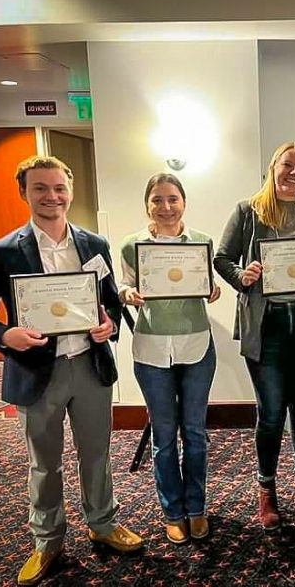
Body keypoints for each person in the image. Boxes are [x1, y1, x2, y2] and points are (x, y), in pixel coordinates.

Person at [0, 156, 143, 586]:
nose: (51, 197)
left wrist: (108, 324)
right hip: (37, 372)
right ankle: (48, 539)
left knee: (96, 455)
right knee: (44, 463)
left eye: (58, 187)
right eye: (40, 188)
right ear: (24, 193)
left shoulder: (94, 245)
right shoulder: (3, 250)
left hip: (89, 367)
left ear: (70, 191)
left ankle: (102, 523)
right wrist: (6, 336)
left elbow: (110, 301)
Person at [214, 141, 295, 531]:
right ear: (273, 167)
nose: (294, 174)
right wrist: (242, 276)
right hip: (265, 325)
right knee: (270, 414)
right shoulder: (247, 211)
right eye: (288, 165)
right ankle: (266, 492)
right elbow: (221, 258)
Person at [119, 173, 220, 544]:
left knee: (194, 434)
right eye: (157, 199)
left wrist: (213, 291)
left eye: (173, 199)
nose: (165, 207)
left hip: (195, 344)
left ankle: (197, 508)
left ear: (184, 203)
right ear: (147, 203)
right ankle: (172, 511)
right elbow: (123, 282)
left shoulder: (201, 242)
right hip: (152, 349)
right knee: (164, 436)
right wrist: (127, 293)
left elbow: (205, 284)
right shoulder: (132, 244)